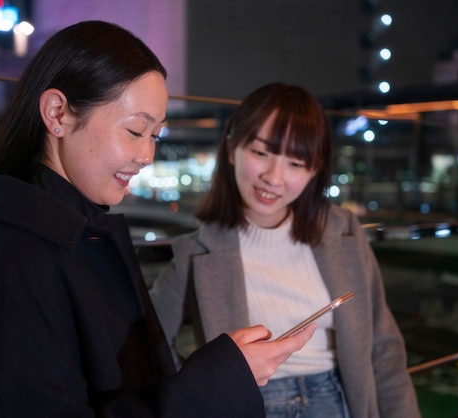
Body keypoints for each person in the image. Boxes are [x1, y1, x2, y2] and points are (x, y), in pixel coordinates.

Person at [0, 21, 316, 417]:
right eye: (135, 131)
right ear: (57, 113)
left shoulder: (75, 233)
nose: (147, 156)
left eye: (155, 136)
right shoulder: (12, 258)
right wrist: (218, 379)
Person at [150, 82, 421, 418]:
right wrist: (201, 393)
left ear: (314, 170)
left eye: (296, 163)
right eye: (261, 153)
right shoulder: (196, 250)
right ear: (232, 147)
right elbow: (149, 344)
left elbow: (384, 350)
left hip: (338, 401)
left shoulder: (344, 232)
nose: (274, 178)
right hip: (251, 405)